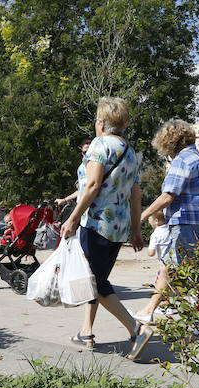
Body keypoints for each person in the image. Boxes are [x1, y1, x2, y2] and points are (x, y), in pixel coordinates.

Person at [59, 97, 144, 350]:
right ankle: (86, 331)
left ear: (102, 123)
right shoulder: (130, 152)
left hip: (95, 223)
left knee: (94, 282)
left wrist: (73, 218)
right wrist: (136, 230)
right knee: (95, 279)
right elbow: (136, 194)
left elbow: (93, 184)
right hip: (118, 228)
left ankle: (135, 329)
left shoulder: (100, 144)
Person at [129, 118, 199, 360]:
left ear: (169, 140)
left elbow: (168, 196)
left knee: (170, 269)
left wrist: (143, 215)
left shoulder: (183, 160)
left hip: (185, 222)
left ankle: (150, 310)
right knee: (195, 272)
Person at [132, 212, 173, 323]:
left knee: (160, 284)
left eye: (150, 221)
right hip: (173, 261)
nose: (149, 224)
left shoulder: (156, 234)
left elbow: (151, 253)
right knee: (170, 284)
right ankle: (166, 304)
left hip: (163, 263)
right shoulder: (170, 230)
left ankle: (156, 308)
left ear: (156, 221)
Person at [54, 137, 93, 224]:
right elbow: (81, 190)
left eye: (90, 142)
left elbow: (93, 187)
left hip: (91, 209)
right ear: (81, 148)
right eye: (86, 143)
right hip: (81, 209)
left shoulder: (96, 163)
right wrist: (64, 200)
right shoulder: (81, 167)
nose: (88, 144)